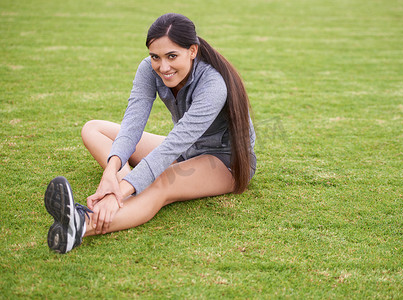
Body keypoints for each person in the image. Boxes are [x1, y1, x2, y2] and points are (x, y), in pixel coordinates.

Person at [43, 13, 257, 254]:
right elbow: (132, 124)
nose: (163, 67)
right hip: (187, 150)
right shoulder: (148, 69)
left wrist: (118, 194)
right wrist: (112, 172)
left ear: (192, 51)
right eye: (156, 56)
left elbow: (173, 146)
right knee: (94, 129)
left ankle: (81, 226)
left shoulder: (213, 84)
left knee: (162, 182)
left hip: (225, 161)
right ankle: (127, 182)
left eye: (172, 56)